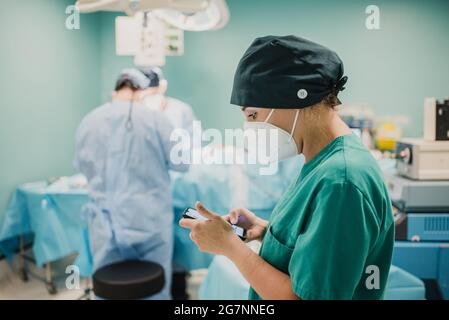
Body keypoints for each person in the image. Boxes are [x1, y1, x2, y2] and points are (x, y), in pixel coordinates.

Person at [180, 36, 395, 300]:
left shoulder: (342, 181)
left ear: (295, 101)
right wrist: (265, 231)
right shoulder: (321, 162)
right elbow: (316, 246)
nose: (249, 129)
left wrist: (231, 247)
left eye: (253, 116)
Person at [74, 68, 188, 299]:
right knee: (153, 286)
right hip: (149, 220)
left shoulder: (89, 120)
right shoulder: (156, 119)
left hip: (105, 223)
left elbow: (81, 166)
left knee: (108, 284)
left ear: (114, 91)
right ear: (142, 91)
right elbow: (182, 163)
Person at [141, 67, 196, 134]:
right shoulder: (134, 113)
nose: (150, 95)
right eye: (146, 93)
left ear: (163, 87)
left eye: (154, 92)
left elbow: (194, 138)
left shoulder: (182, 110)